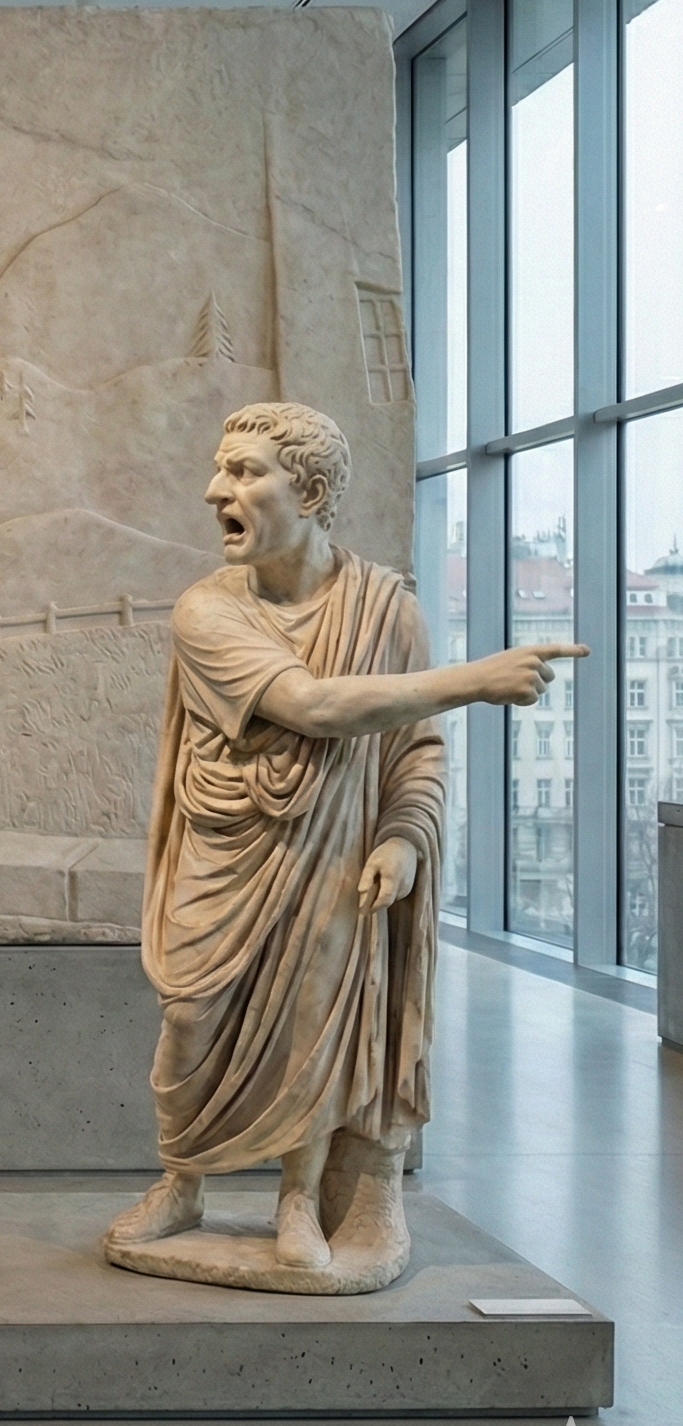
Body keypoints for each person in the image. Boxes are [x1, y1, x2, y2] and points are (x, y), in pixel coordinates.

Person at [107, 402, 584, 1274]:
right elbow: (312, 707)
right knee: (188, 1019)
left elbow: (415, 748)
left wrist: (402, 837)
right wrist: (475, 679)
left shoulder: (384, 611)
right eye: (220, 469)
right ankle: (182, 1183)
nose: (216, 490)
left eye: (244, 472)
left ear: (312, 492)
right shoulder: (206, 612)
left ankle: (299, 1197)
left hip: (334, 853)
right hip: (225, 848)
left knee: (317, 1024)